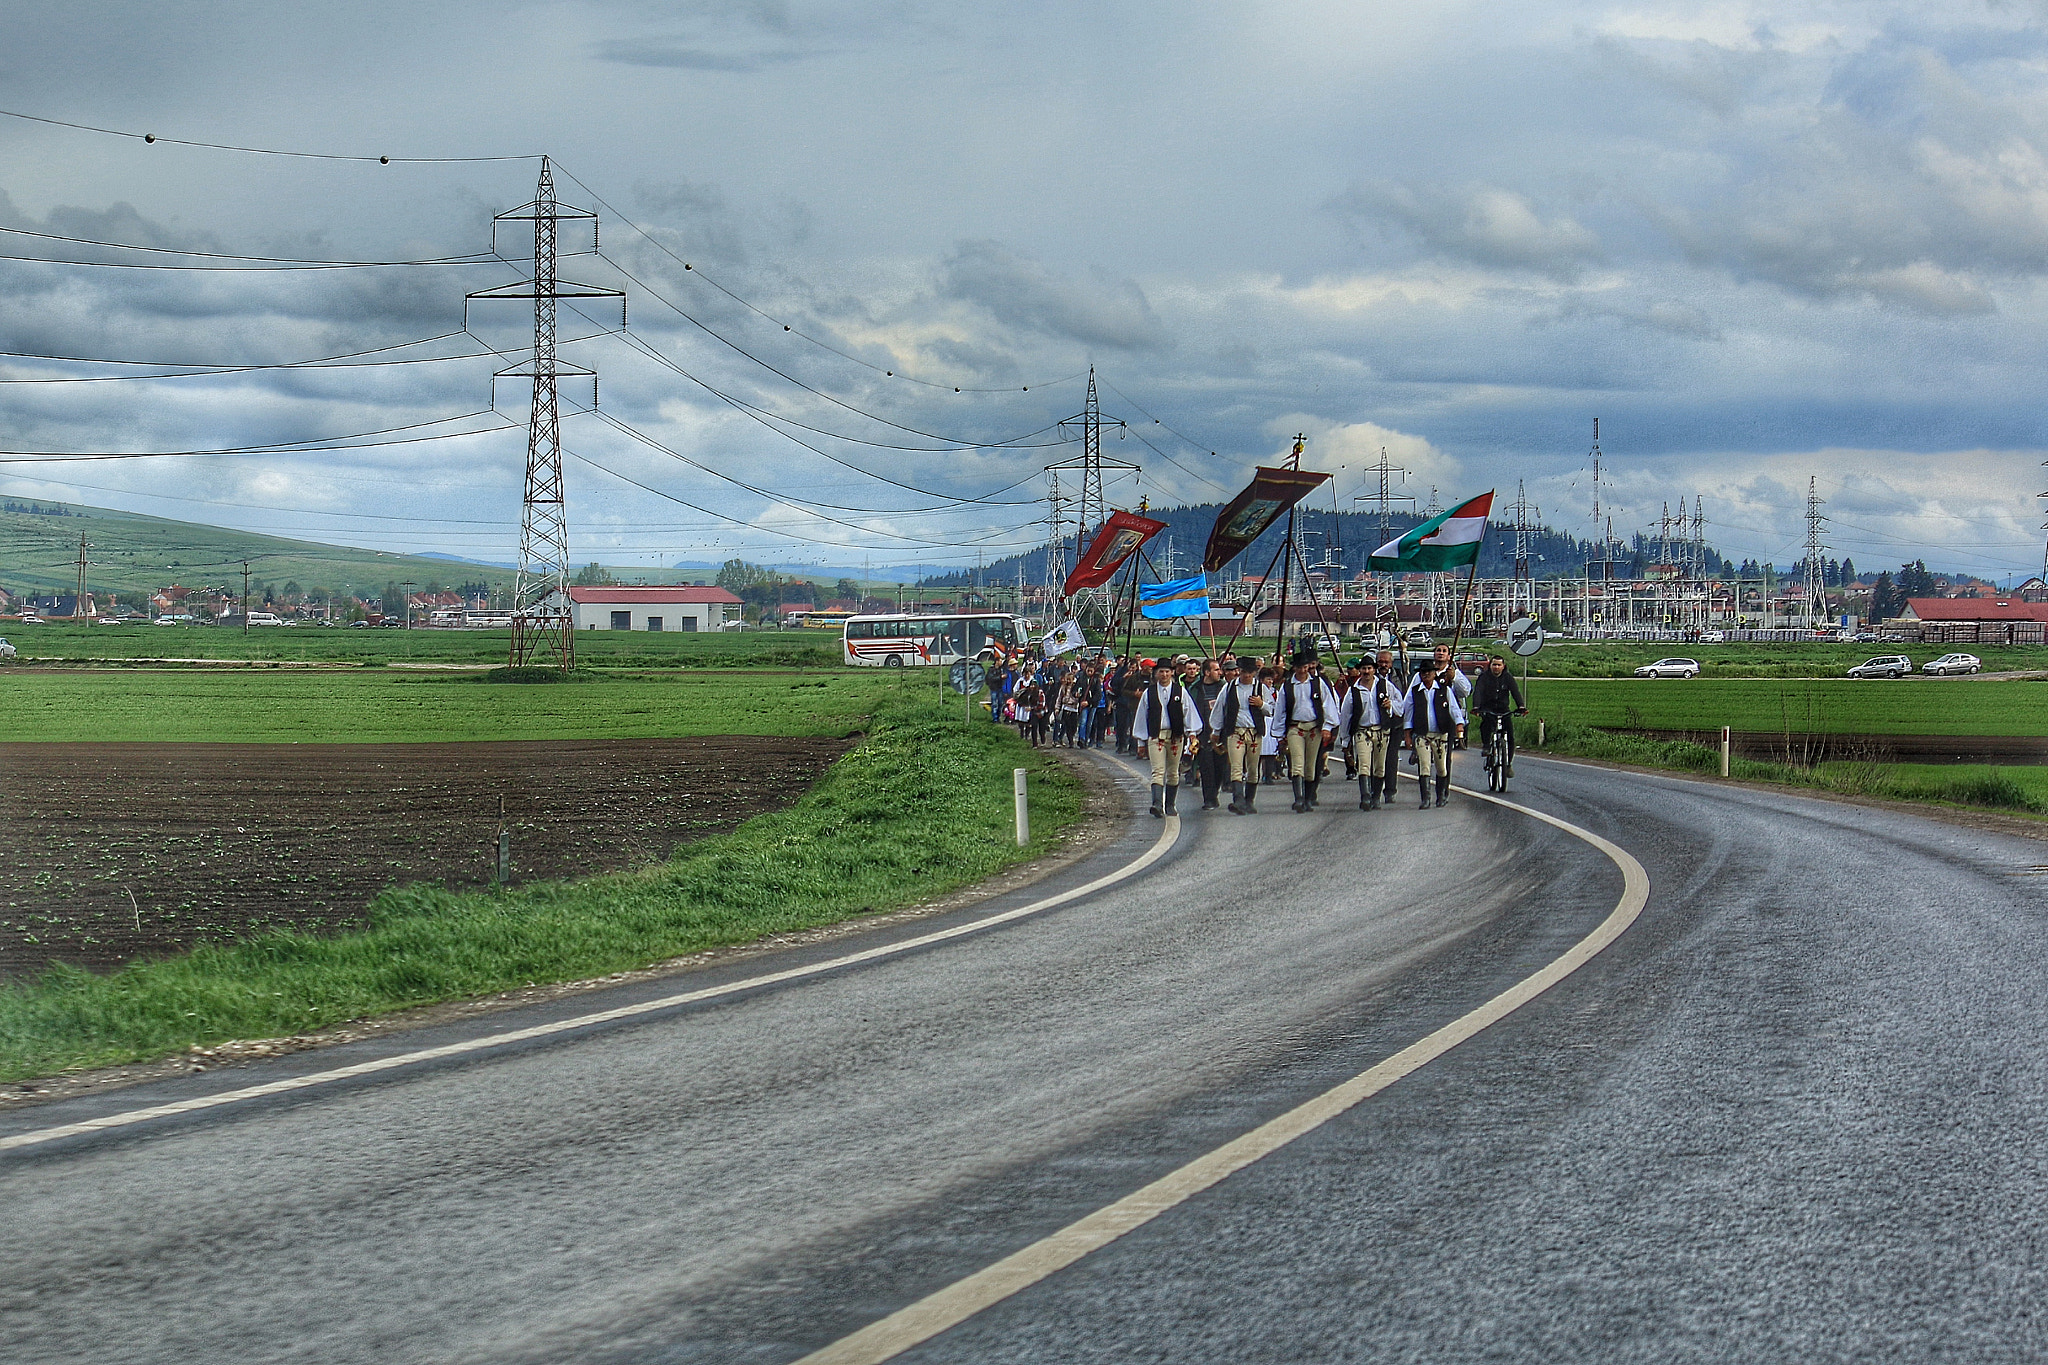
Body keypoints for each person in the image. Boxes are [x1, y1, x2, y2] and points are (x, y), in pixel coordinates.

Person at [1131, 659, 1205, 818]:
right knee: (1157, 770)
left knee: (1173, 771)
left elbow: (1189, 712)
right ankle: (1157, 804)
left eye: (1167, 671)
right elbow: (1142, 717)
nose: (1164, 675)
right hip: (1156, 736)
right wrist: (1141, 742)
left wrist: (1192, 733)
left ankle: (1170, 804)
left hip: (1175, 737)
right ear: (1156, 674)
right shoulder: (1149, 693)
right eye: (1161, 672)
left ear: (1172, 673)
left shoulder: (1180, 692)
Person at [1269, 648, 1339, 813]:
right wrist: (1279, 734)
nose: (1302, 670)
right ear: (1294, 668)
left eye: (1305, 666)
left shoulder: (1317, 684)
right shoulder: (1288, 686)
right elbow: (1280, 710)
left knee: (1311, 765)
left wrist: (1328, 726)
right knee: (1297, 762)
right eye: (1299, 667)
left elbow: (1328, 705)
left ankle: (1308, 798)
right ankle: (1299, 799)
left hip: (1314, 728)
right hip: (1295, 728)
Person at [1336, 655, 1406, 810]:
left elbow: (1400, 705)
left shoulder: (1385, 685)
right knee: (1364, 764)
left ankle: (1376, 796)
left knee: (1379, 766)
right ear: (1360, 670)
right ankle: (1365, 796)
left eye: (1369, 668)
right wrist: (1345, 740)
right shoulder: (1354, 690)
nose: (1366, 671)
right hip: (1362, 732)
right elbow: (1346, 715)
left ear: (1374, 670)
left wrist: (1391, 705)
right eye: (1364, 669)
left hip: (1381, 731)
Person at [1208, 654, 1267, 815]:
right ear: (1238, 671)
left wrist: (1262, 704)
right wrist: (1216, 731)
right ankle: (1238, 800)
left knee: (1253, 768)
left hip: (1254, 733)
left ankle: (1249, 801)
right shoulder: (1229, 688)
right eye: (1243, 672)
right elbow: (1220, 709)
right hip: (1235, 732)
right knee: (1236, 766)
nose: (1247, 675)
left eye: (1250, 672)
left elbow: (1273, 709)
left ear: (1254, 672)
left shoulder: (1261, 688)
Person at [1404, 657, 1466, 808]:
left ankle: (1441, 795)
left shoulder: (1444, 690)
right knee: (1424, 766)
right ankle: (1425, 798)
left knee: (1441, 767)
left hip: (1440, 734)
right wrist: (1407, 735)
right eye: (1423, 672)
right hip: (1422, 734)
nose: (1426, 675)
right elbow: (1408, 713)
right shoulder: (1415, 692)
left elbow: (1453, 708)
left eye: (1429, 672)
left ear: (1434, 673)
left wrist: (1459, 724)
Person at [1470, 654, 1528, 777]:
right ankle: (1486, 746)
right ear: (1490, 666)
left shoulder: (1508, 678)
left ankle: (1508, 764)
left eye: (1499, 665)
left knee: (1510, 736)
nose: (1496, 667)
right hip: (1488, 709)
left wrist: (1521, 706)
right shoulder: (1484, 678)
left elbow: (1515, 692)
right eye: (1494, 664)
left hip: (1504, 709)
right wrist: (1476, 707)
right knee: (1486, 725)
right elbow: (1478, 692)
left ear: (1503, 666)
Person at [1189, 656, 1230, 810]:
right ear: (1206, 672)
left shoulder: (1224, 688)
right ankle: (1209, 799)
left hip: (1220, 734)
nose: (1220, 672)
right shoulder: (1195, 689)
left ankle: (1215, 793)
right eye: (1216, 669)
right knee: (1206, 767)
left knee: (1219, 767)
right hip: (1203, 733)